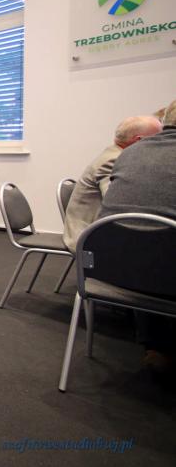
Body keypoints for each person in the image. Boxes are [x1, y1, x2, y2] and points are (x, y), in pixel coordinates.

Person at [99, 100, 176, 373]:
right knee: (157, 247)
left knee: (145, 243)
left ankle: (156, 346)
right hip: (154, 265)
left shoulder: (129, 154)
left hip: (109, 262)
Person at [62, 115, 161, 252]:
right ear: (139, 141)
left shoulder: (117, 154)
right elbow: (116, 204)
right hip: (89, 238)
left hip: (103, 229)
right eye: (158, 139)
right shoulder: (114, 161)